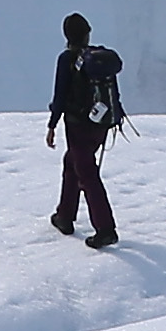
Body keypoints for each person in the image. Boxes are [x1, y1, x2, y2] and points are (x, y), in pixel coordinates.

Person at [45, 13, 125, 246]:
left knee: (87, 174)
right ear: (88, 33)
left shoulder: (67, 59)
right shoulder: (99, 61)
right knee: (73, 164)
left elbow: (60, 96)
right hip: (100, 125)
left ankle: (105, 229)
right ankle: (65, 216)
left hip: (78, 126)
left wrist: (52, 125)